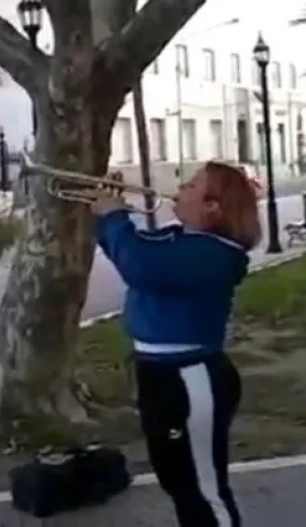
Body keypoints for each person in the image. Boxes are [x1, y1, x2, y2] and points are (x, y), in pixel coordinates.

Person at [90, 162, 262, 527]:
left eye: (191, 185)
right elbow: (128, 254)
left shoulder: (212, 252)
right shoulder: (181, 241)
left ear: (212, 206)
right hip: (161, 376)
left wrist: (116, 217)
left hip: (189, 379)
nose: (179, 188)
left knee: (201, 490)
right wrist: (105, 218)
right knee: (177, 480)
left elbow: (141, 266)